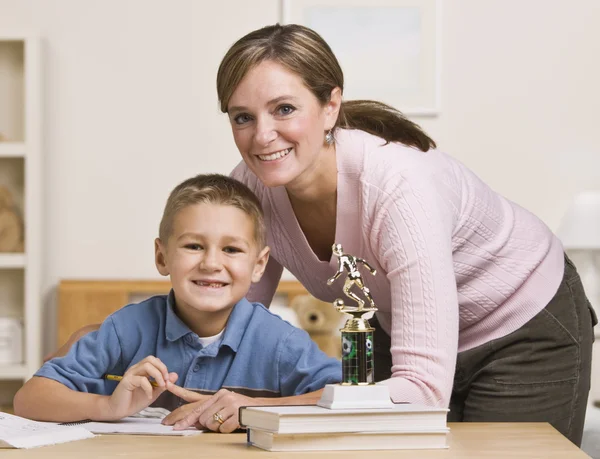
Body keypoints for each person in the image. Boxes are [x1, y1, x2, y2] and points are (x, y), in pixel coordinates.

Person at [48, 24, 596, 445]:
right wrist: (113, 342)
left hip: (524, 322)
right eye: (242, 117)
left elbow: (423, 391)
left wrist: (261, 409)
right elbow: (226, 318)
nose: (262, 137)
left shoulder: (398, 186)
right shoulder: (253, 188)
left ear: (331, 104)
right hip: (410, 336)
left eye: (284, 109)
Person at [14, 174, 341, 432]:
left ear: (258, 265)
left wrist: (253, 410)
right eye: (194, 246)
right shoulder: (125, 329)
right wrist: (110, 407)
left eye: (231, 249)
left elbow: (347, 398)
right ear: (162, 256)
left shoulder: (279, 343)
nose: (212, 263)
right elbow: (30, 399)